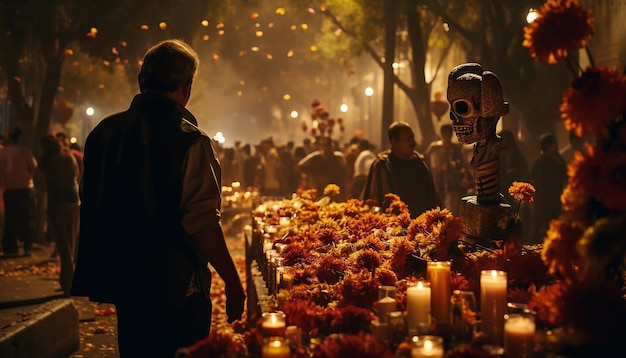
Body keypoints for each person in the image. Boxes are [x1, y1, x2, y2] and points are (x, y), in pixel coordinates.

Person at [71, 39, 245, 357]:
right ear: (186, 86)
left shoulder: (103, 134)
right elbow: (202, 221)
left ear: (142, 82)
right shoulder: (189, 140)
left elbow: (91, 202)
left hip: (124, 282)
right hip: (176, 286)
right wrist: (232, 283)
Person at [362, 121, 441, 218]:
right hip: (394, 224)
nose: (412, 141)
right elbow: (373, 200)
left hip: (422, 222)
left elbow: (432, 195)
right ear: (394, 142)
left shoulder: (420, 162)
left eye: (412, 137)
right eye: (407, 138)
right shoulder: (383, 165)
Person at [38, 134, 79, 295]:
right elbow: (75, 176)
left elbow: (41, 187)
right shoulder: (69, 157)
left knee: (63, 245)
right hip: (73, 201)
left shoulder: (45, 162)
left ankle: (68, 282)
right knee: (71, 241)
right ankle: (70, 280)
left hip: (56, 203)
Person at [0, 127, 37, 257]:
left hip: (9, 189)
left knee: (10, 219)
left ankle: (10, 247)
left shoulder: (3, 152)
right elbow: (33, 166)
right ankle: (27, 246)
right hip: (25, 188)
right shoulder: (24, 151)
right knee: (26, 219)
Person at [529, 133, 567, 244]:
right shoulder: (550, 162)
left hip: (542, 200)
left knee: (538, 226)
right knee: (547, 227)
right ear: (550, 145)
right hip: (550, 200)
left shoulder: (539, 161)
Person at [425, 124, 465, 215]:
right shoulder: (434, 147)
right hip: (437, 180)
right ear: (442, 134)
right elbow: (427, 160)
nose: (448, 136)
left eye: (449, 133)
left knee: (451, 207)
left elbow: (461, 163)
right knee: (437, 204)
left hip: (451, 182)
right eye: (446, 133)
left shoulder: (455, 148)